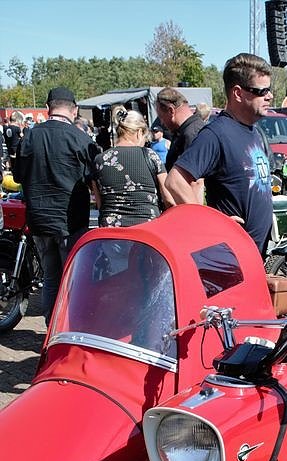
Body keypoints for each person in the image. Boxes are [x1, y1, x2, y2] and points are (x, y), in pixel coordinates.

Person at [166, 52, 274, 257]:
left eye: (269, 90)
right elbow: (175, 180)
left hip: (253, 257)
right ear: (238, 93)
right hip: (228, 260)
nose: (269, 96)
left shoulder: (255, 131)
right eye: (261, 91)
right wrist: (208, 226)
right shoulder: (216, 134)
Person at [13, 87, 100, 324]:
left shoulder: (29, 136)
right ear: (73, 109)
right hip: (69, 221)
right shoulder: (80, 138)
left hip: (39, 221)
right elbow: (95, 179)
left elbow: (18, 176)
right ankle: (66, 331)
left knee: (51, 277)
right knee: (71, 278)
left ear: (47, 107)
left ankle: (50, 328)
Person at [91, 108, 173, 228]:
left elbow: (100, 203)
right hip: (146, 231)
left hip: (111, 234)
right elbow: (168, 197)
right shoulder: (150, 155)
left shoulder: (99, 160)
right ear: (139, 132)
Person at [155, 88, 206, 176]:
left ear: (171, 111)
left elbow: (194, 179)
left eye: (161, 117)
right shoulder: (183, 132)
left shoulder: (192, 134)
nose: (162, 123)